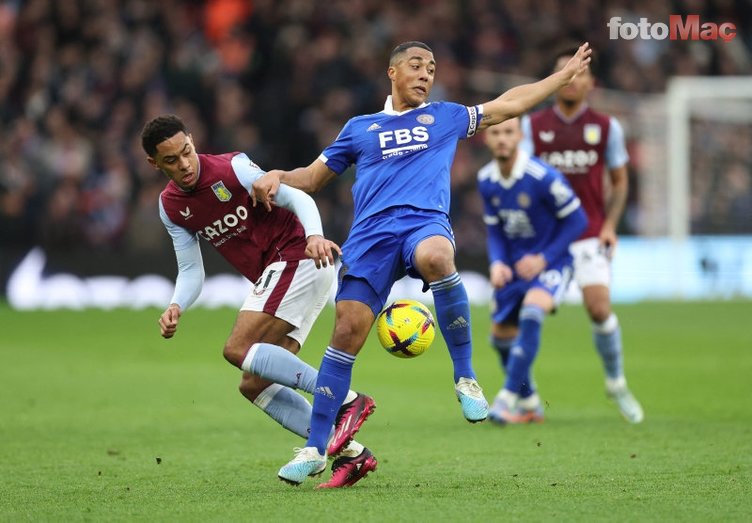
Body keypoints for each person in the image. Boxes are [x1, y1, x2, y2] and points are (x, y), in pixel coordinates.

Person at [252, 41, 593, 485]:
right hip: (370, 237)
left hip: (422, 221)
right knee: (346, 330)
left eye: (431, 68)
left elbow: (509, 104)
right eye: (416, 65)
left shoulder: (447, 116)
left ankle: (466, 378)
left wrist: (560, 78)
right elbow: (313, 179)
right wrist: (279, 175)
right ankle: (316, 447)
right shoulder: (359, 128)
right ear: (392, 72)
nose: (425, 74)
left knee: (437, 255)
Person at [141, 114, 377, 489]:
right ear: (154, 163)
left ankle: (347, 399)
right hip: (288, 271)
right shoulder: (171, 207)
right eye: (171, 160)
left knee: (238, 348)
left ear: (192, 139)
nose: (184, 164)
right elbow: (191, 271)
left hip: (298, 256)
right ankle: (351, 453)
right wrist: (176, 305)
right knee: (254, 383)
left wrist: (315, 236)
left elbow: (296, 195)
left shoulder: (232, 168)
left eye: (186, 151)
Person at [520, 46, 644, 423]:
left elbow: (620, 182)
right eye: (564, 72)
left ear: (591, 82)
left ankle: (616, 383)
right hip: (546, 241)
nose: (571, 79)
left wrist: (609, 225)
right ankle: (524, 396)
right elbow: (523, 178)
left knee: (600, 309)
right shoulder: (533, 126)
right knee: (524, 314)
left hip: (590, 234)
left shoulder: (607, 128)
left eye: (578, 73)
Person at [478, 117, 587, 425]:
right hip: (513, 268)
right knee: (500, 338)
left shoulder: (542, 176)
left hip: (551, 263)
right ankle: (530, 402)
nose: (502, 138)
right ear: (486, 139)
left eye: (508, 132)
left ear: (520, 136)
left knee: (532, 312)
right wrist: (497, 262)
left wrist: (543, 257)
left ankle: (507, 397)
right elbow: (495, 229)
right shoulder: (486, 179)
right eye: (495, 132)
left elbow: (577, 220)